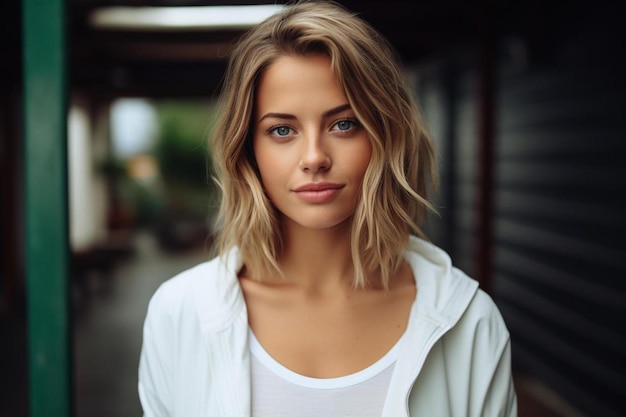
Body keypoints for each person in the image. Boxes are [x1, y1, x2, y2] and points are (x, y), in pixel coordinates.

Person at [138, 1, 518, 416]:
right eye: (282, 130)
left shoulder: (468, 323)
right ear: (248, 151)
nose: (314, 156)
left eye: (344, 124)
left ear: (384, 136)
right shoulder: (180, 314)